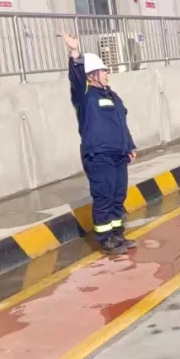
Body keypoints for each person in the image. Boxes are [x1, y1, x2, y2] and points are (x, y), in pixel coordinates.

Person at [64, 34, 138, 253]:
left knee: (118, 196)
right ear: (91, 75)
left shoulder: (113, 96)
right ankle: (105, 240)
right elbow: (76, 77)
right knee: (104, 196)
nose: (107, 73)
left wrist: (130, 146)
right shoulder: (85, 95)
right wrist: (75, 53)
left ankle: (117, 235)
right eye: (103, 70)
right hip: (99, 155)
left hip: (118, 153)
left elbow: (121, 123)